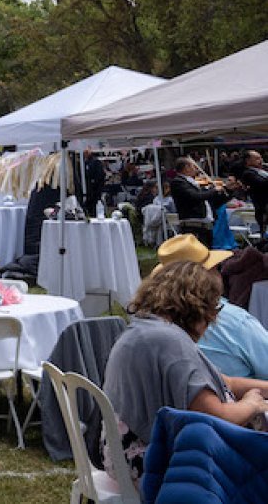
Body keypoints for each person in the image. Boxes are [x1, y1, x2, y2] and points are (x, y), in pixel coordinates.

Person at [102, 259, 268, 484]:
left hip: (121, 456)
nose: (211, 321)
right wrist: (252, 404)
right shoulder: (171, 342)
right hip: (157, 465)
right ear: (197, 307)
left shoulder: (144, 329)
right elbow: (216, 417)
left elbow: (224, 381)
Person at [148, 235, 268, 381]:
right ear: (209, 276)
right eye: (216, 268)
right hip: (234, 398)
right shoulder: (235, 321)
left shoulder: (149, 321)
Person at [171, 156, 229, 238]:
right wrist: (214, 190)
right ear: (186, 168)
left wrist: (228, 190)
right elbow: (196, 196)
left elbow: (212, 201)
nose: (197, 169)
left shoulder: (194, 183)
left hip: (205, 225)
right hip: (192, 225)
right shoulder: (178, 182)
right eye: (194, 166)